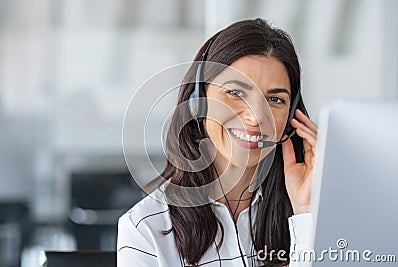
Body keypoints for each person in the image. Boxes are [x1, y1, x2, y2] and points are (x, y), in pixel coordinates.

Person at [118, 18, 318, 267]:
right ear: (198, 101)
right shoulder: (145, 227)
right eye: (235, 93)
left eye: (275, 99)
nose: (255, 117)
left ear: (291, 118)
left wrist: (305, 211)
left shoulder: (311, 214)